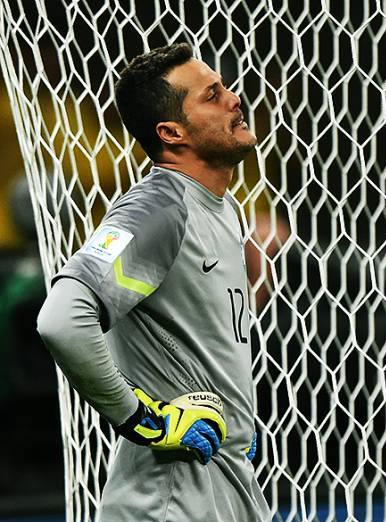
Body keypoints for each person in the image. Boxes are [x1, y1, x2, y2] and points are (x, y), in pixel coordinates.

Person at [35, 43, 271, 521]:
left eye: (224, 87)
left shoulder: (219, 206)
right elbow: (62, 319)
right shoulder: (160, 207)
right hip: (169, 500)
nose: (234, 99)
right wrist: (143, 419)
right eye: (212, 95)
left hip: (219, 486)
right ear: (171, 132)